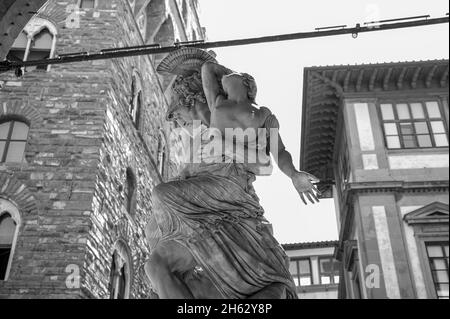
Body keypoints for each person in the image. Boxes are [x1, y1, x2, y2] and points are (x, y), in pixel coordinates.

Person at [144, 61, 320, 299]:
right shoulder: (217, 105)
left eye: (176, 112)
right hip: (202, 193)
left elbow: (275, 155)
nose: (175, 121)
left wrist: (294, 174)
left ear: (247, 86)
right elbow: (208, 69)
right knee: (154, 261)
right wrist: (215, 68)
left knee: (162, 194)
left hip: (228, 187)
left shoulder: (263, 115)